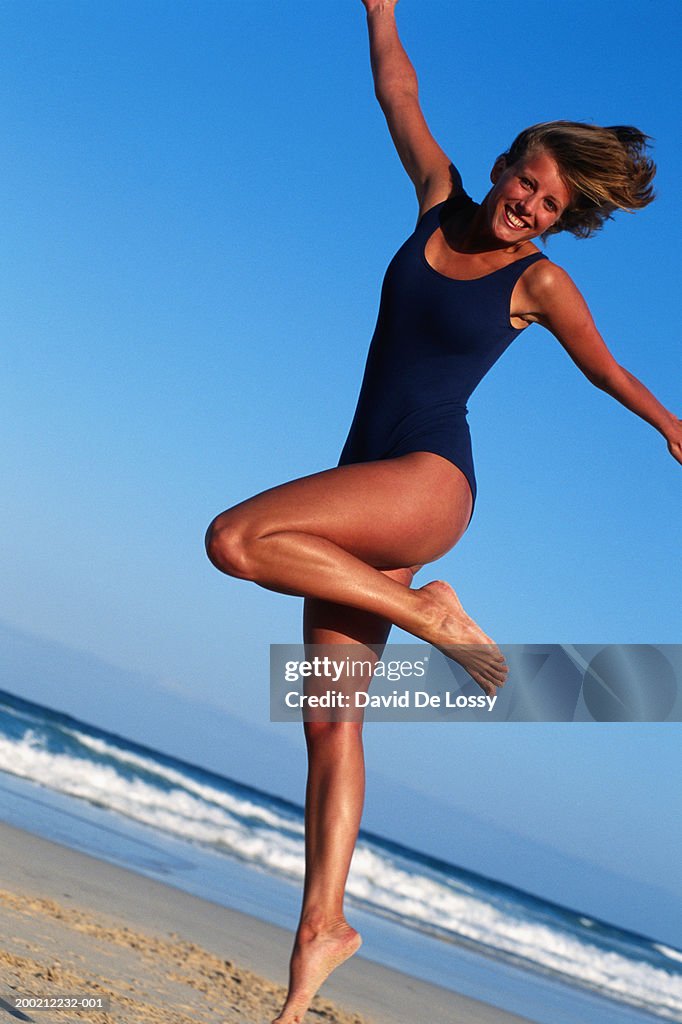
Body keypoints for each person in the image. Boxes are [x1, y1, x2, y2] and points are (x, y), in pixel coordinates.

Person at [205, 2, 682, 1021]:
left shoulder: (538, 283)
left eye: (549, 204)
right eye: (526, 182)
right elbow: (399, 89)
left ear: (559, 220)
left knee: (237, 540)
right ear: (505, 163)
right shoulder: (435, 200)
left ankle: (433, 615)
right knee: (330, 719)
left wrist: (672, 428)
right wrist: (380, 10)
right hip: (364, 479)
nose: (528, 207)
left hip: (425, 485)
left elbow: (606, 373)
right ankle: (315, 950)